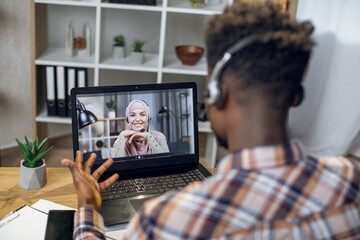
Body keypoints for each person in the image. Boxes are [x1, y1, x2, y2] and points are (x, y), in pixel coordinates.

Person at [61, 2, 360, 239]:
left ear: (218, 93)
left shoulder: (165, 219)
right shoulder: (351, 179)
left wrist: (87, 208)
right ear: (295, 96)